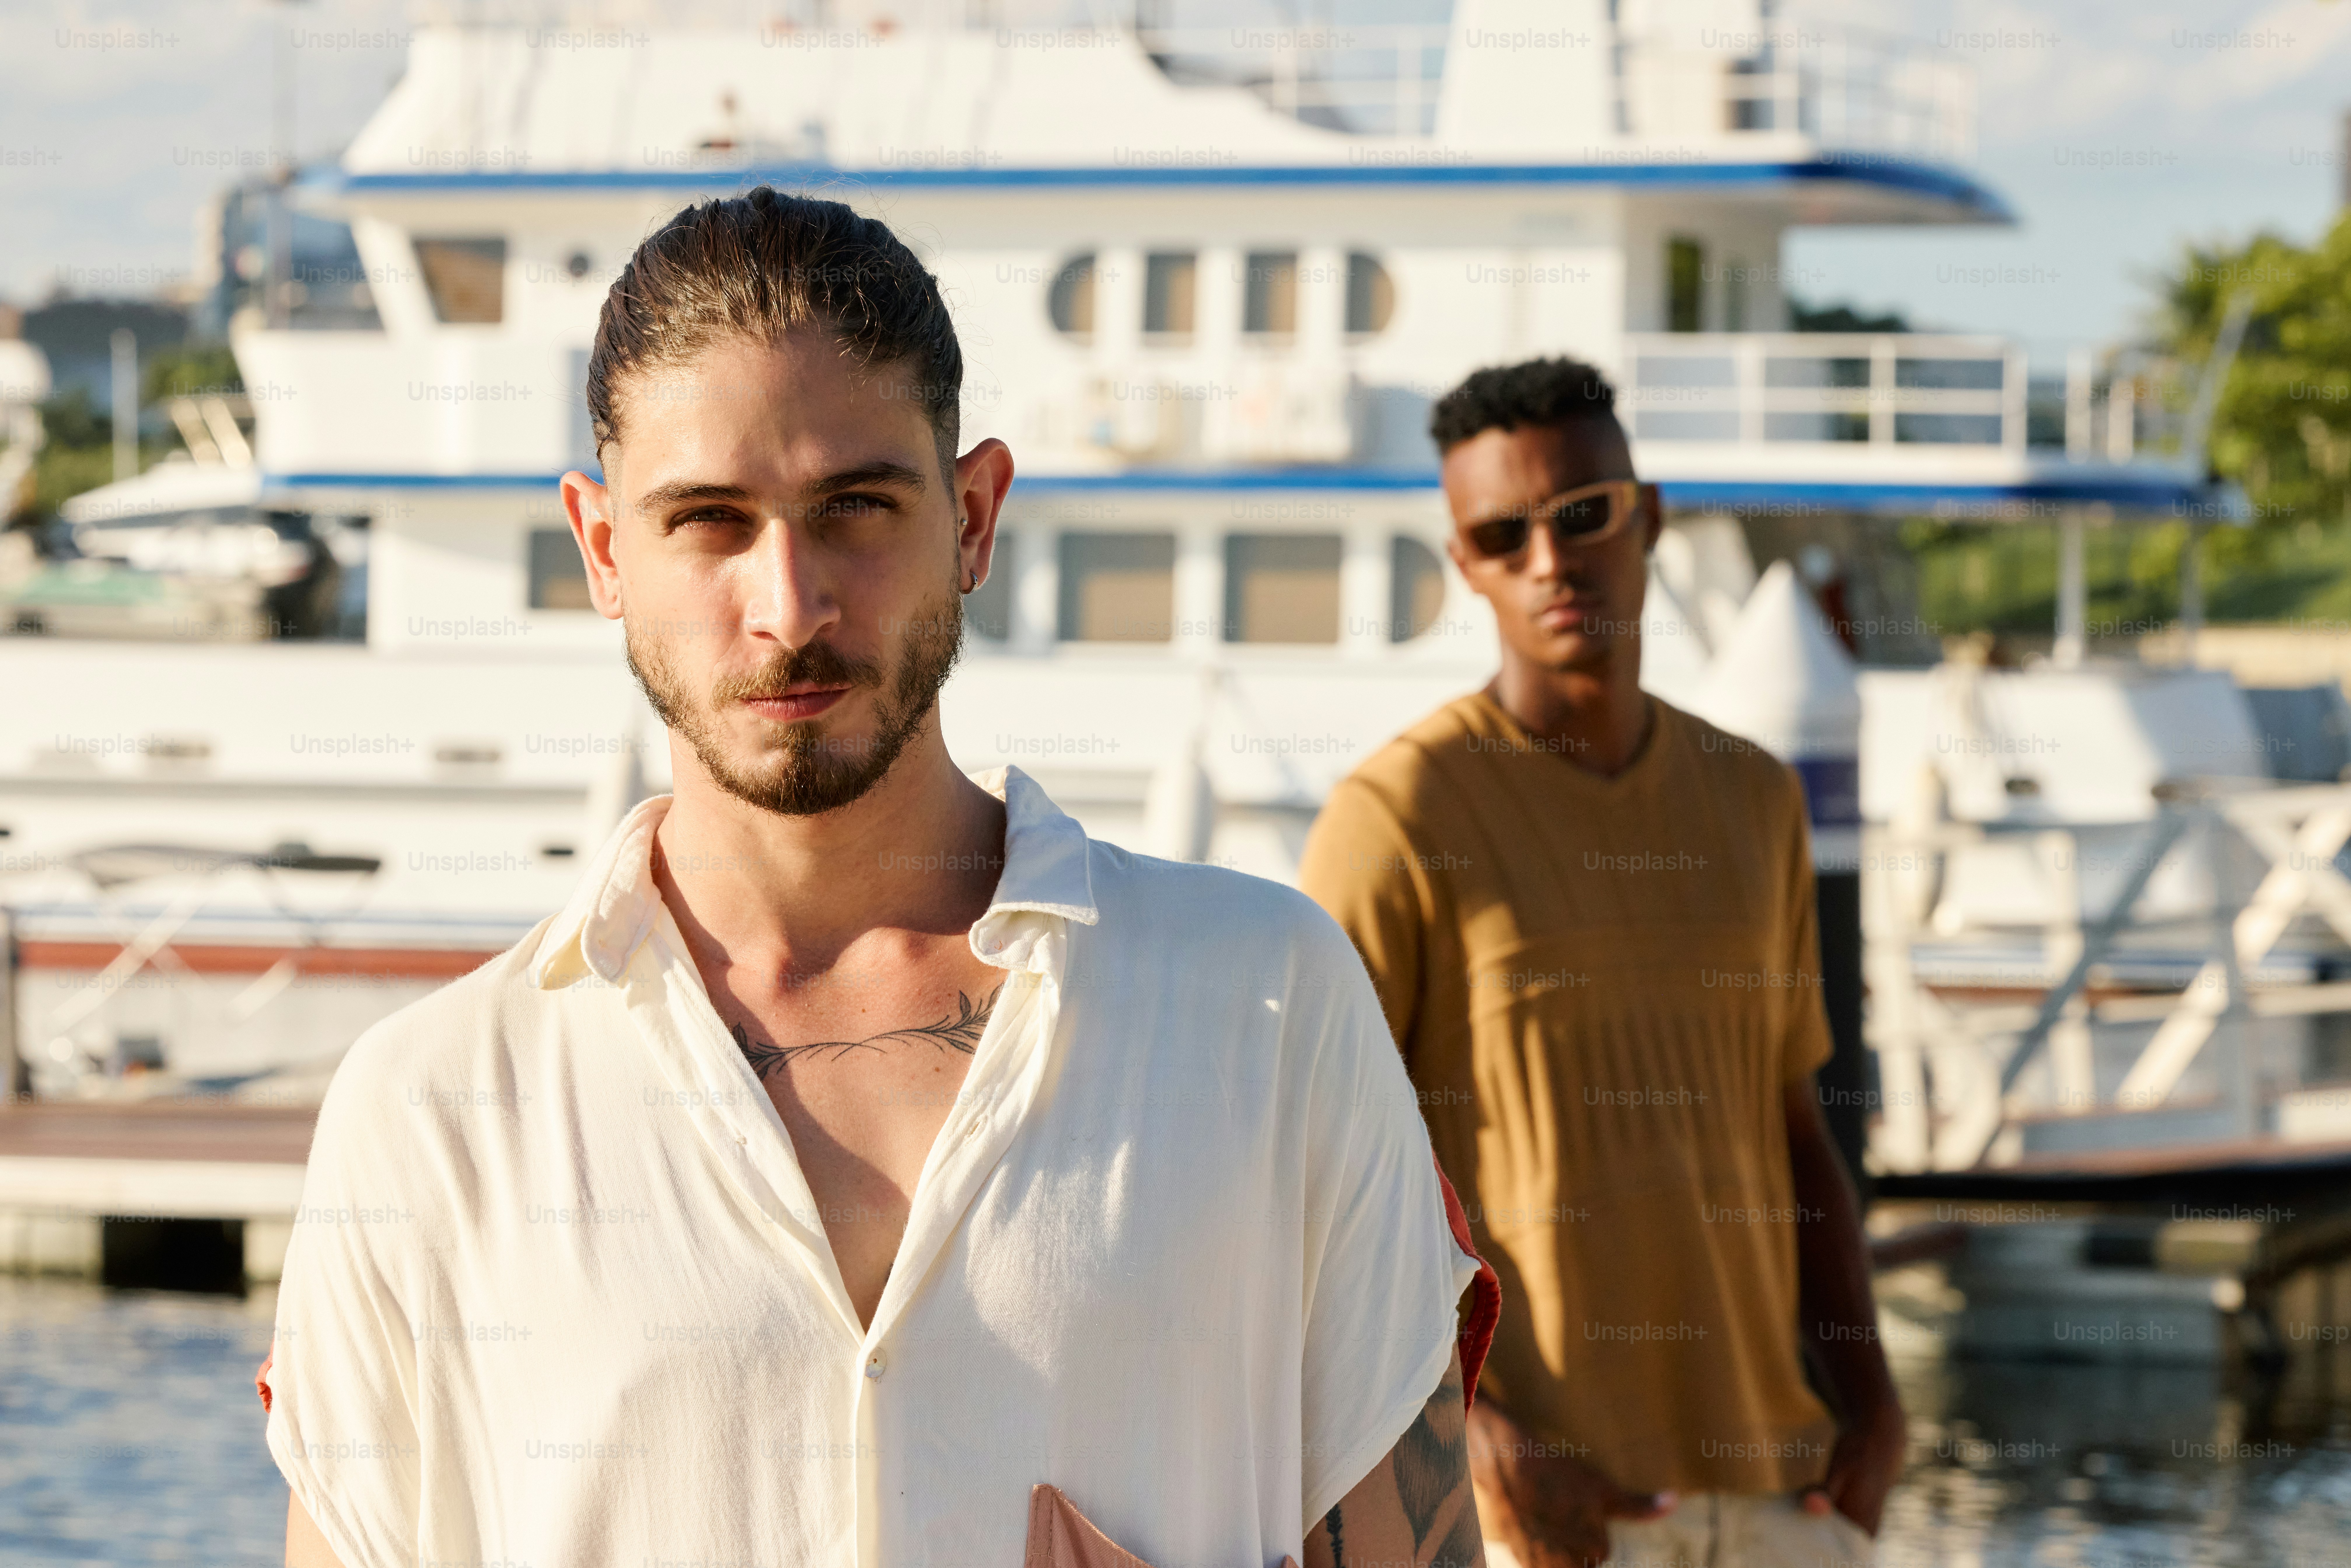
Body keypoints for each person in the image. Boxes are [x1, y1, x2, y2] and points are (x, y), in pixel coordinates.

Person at [260, 188, 1492, 1568]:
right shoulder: (431, 1110)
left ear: (971, 515)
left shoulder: (1267, 1007)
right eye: (710, 521)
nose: (790, 605)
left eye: (855, 507)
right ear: (605, 550)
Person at [1298, 358, 1904, 1568]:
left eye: (1584, 514)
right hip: (1547, 1515)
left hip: (1785, 1494)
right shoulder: (1396, 817)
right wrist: (1469, 1440)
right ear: (1464, 562)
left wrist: (1873, 1398)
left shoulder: (1752, 799)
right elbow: (1309, 1185)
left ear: (1649, 518)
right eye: (1500, 534)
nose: (1550, 560)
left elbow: (1793, 1128)